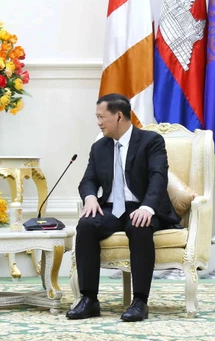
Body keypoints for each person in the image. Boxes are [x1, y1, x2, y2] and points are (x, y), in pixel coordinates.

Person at [66, 93, 180, 322]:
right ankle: (89, 299)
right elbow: (88, 180)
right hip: (112, 207)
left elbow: (158, 177)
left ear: (119, 116)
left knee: (139, 226)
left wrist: (147, 208)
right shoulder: (99, 147)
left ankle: (139, 301)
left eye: (101, 117)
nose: (98, 122)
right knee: (86, 225)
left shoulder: (151, 141)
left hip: (144, 207)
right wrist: (89, 198)